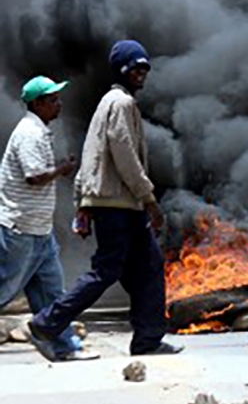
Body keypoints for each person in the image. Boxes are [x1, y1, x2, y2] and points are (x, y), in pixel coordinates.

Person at [29, 40, 182, 358]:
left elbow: (90, 154)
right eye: (136, 67)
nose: (142, 73)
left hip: (116, 205)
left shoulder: (108, 103)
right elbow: (123, 155)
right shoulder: (121, 104)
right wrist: (149, 199)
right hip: (120, 206)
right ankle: (47, 323)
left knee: (149, 267)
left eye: (145, 68)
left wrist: (82, 205)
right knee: (107, 271)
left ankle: (147, 339)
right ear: (123, 70)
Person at [0, 76, 97, 361]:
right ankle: (63, 345)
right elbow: (33, 176)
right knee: (3, 290)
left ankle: (64, 347)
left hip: (39, 232)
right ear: (37, 103)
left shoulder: (39, 130)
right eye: (53, 99)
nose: (59, 103)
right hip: (21, 231)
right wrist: (61, 169)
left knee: (53, 297)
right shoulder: (29, 133)